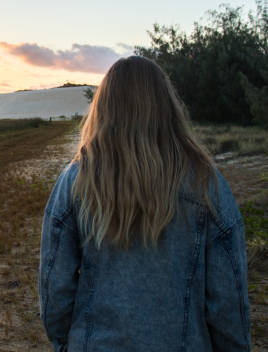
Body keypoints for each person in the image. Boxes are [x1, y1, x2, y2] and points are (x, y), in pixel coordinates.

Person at [39, 56, 250, 351]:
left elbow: (55, 291)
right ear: (167, 108)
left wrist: (67, 342)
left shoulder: (76, 181)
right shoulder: (206, 184)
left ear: (104, 109)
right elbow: (228, 304)